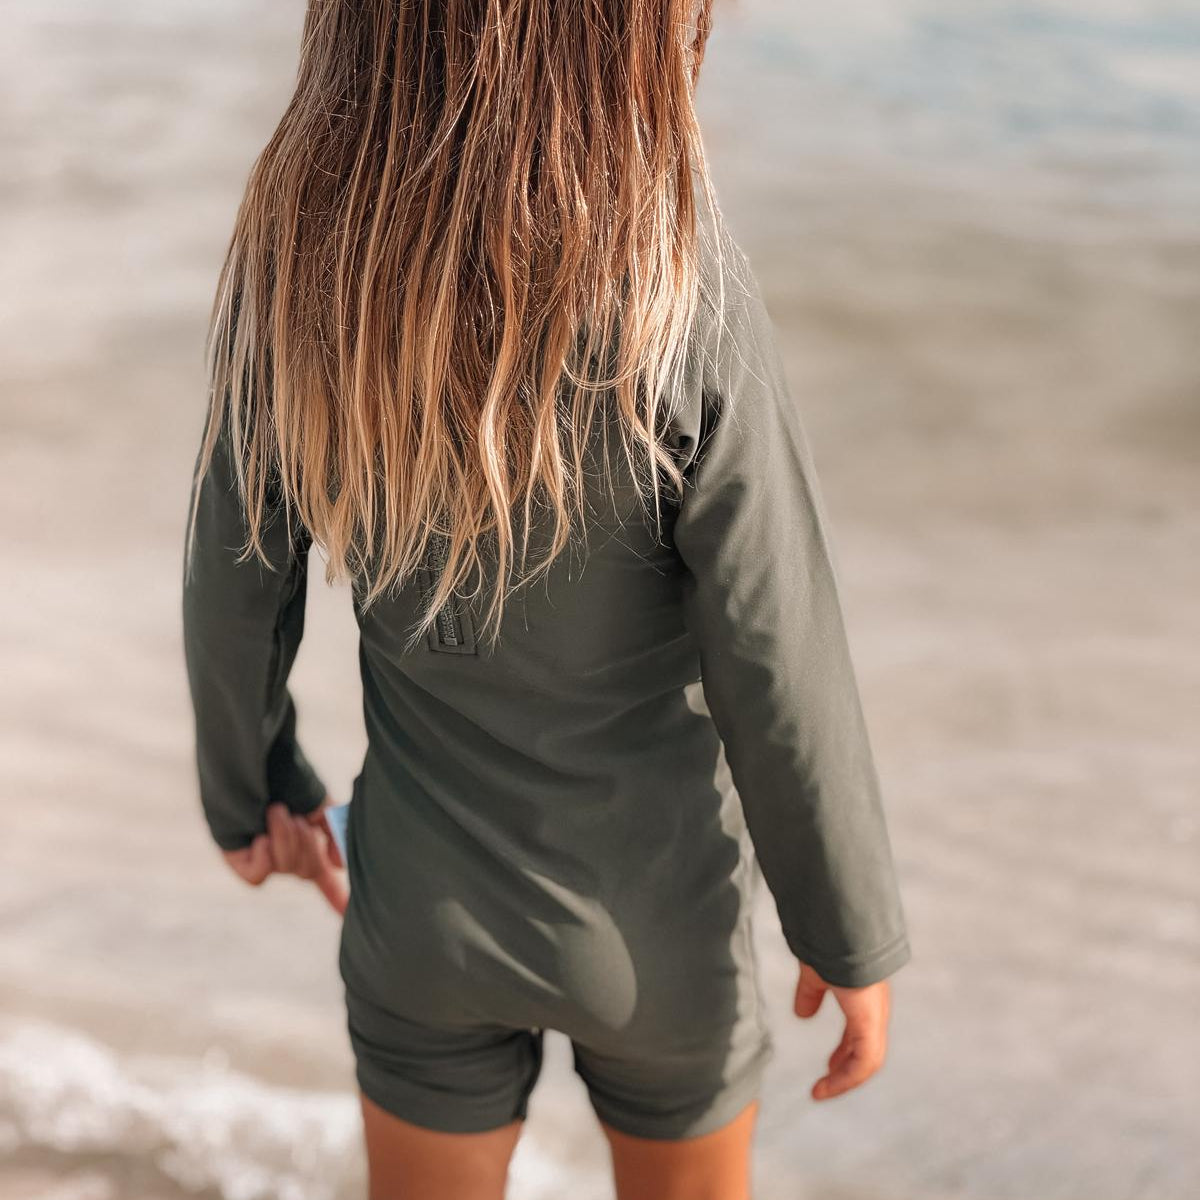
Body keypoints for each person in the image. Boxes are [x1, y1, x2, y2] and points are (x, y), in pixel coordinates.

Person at [180, 2, 912, 1197]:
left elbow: (233, 582)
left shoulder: (308, 263)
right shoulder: (679, 282)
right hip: (659, 926)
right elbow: (776, 647)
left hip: (423, 910)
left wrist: (252, 790)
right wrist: (846, 924)